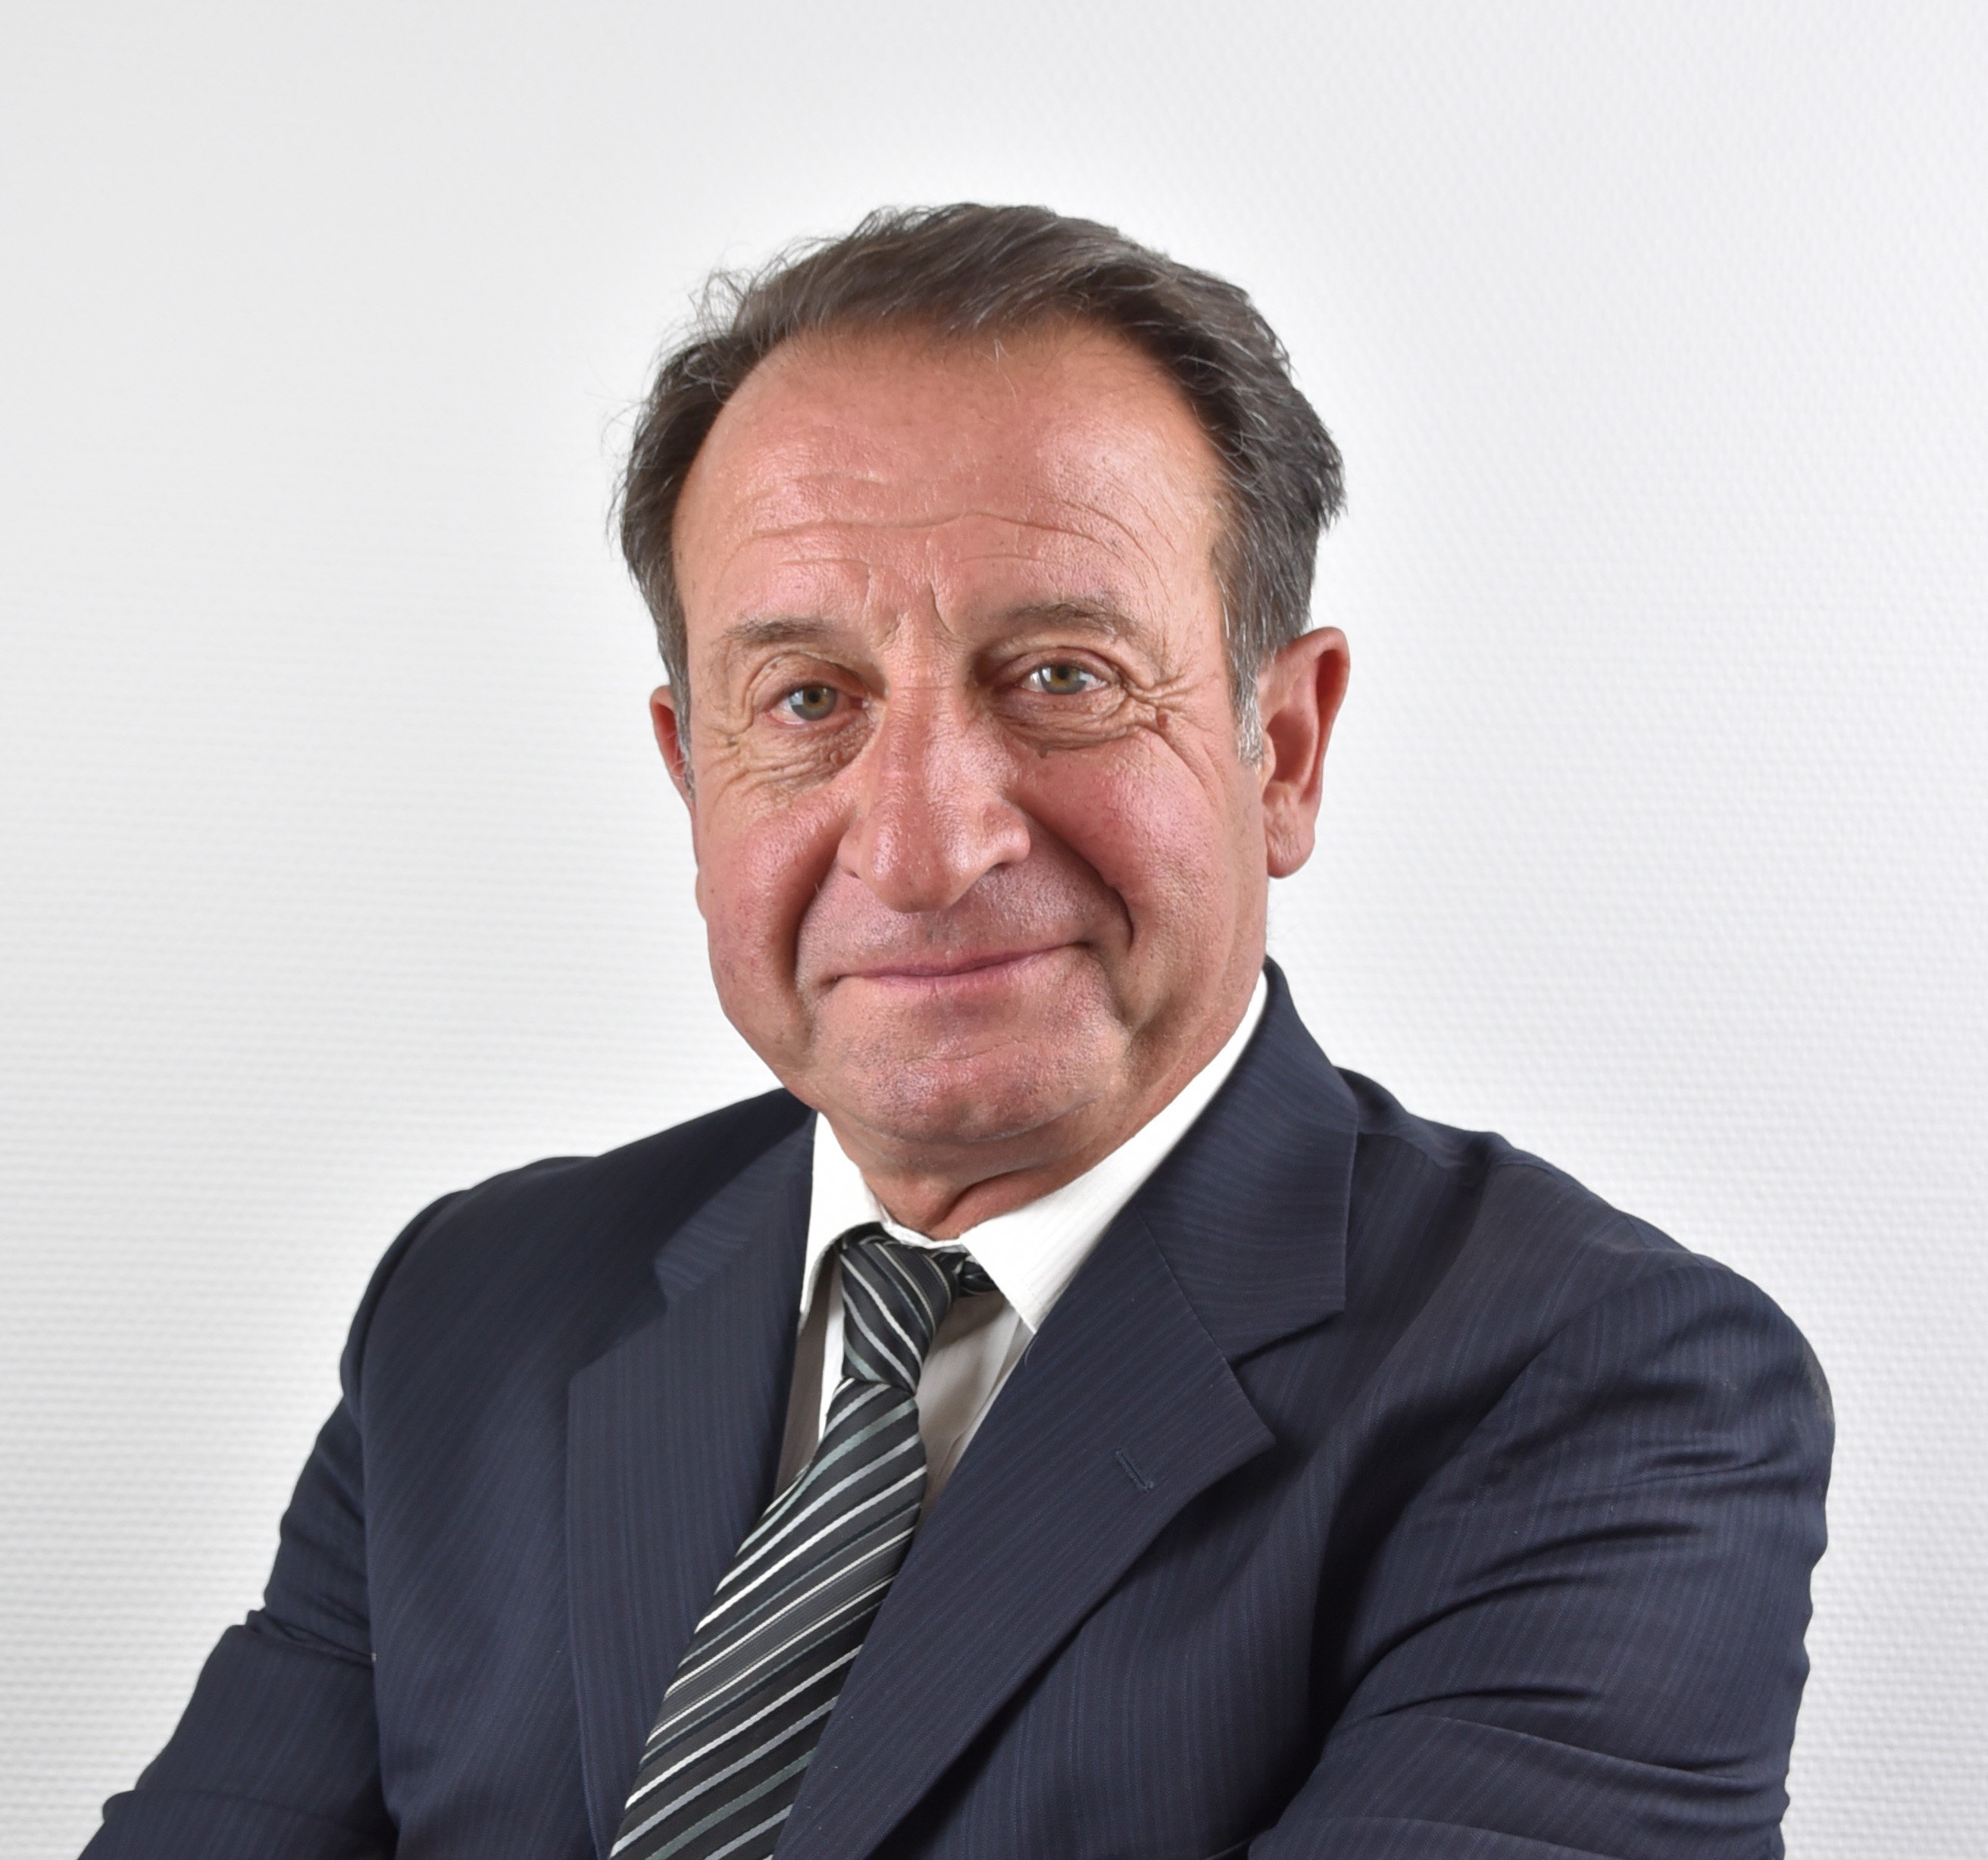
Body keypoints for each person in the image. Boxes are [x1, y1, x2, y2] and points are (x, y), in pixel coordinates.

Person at [84, 205, 1830, 1860]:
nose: (922, 848)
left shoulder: (1603, 1391)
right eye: (806, 700)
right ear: (693, 777)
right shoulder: (477, 1308)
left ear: (1282, 750)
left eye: (1063, 675)